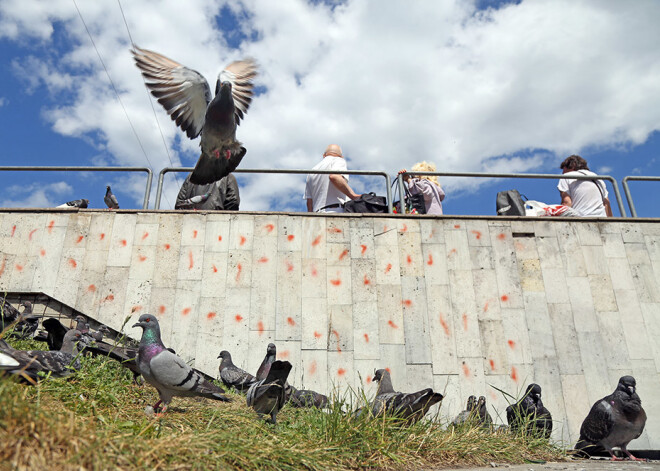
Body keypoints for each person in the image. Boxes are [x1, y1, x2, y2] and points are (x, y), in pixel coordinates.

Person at [304, 144, 360, 213]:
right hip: (335, 211)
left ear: (324, 155)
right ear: (341, 156)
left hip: (317, 215)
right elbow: (334, 176)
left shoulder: (311, 172)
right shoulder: (338, 160)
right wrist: (353, 196)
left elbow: (309, 201)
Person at [175, 173, 240, 210]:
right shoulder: (228, 176)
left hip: (191, 223)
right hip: (218, 223)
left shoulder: (191, 177)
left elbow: (179, 204)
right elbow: (234, 202)